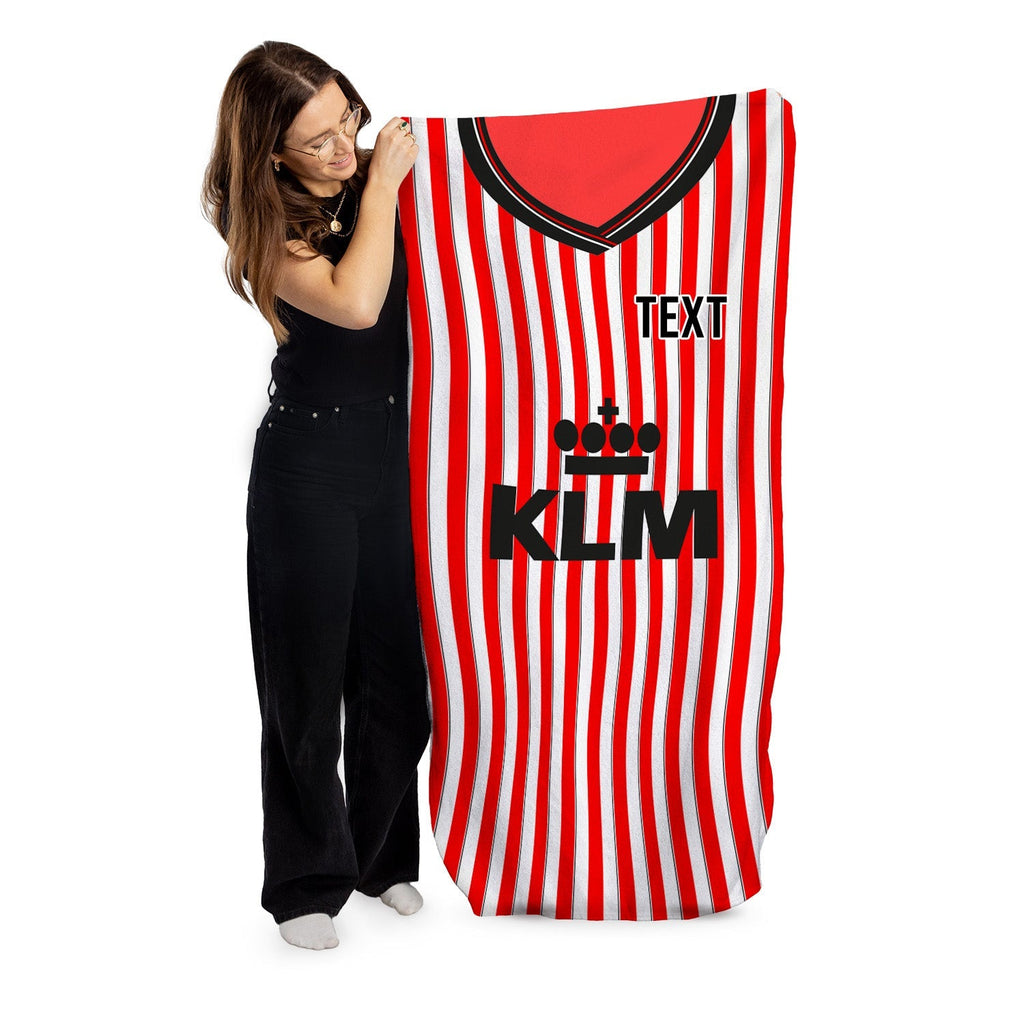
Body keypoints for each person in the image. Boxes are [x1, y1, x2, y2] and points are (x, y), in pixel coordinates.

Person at [202, 41, 430, 951]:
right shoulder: (256, 218)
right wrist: (382, 192)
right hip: (307, 466)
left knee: (399, 683)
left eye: (349, 120)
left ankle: (379, 858)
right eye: (319, 140)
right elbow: (355, 301)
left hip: (396, 454)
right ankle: (304, 882)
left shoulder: (377, 173)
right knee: (305, 686)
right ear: (271, 154)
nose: (346, 148)